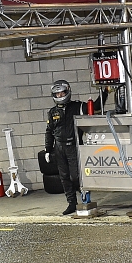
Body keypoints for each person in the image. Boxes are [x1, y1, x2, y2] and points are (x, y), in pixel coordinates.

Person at [44, 79, 83, 216]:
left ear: (67, 92)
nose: (60, 96)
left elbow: (94, 107)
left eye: (62, 93)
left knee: (75, 176)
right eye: (57, 94)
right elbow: (49, 131)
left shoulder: (77, 106)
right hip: (59, 148)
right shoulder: (52, 112)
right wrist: (48, 149)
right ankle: (72, 203)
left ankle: (84, 196)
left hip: (73, 146)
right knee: (64, 177)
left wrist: (105, 93)